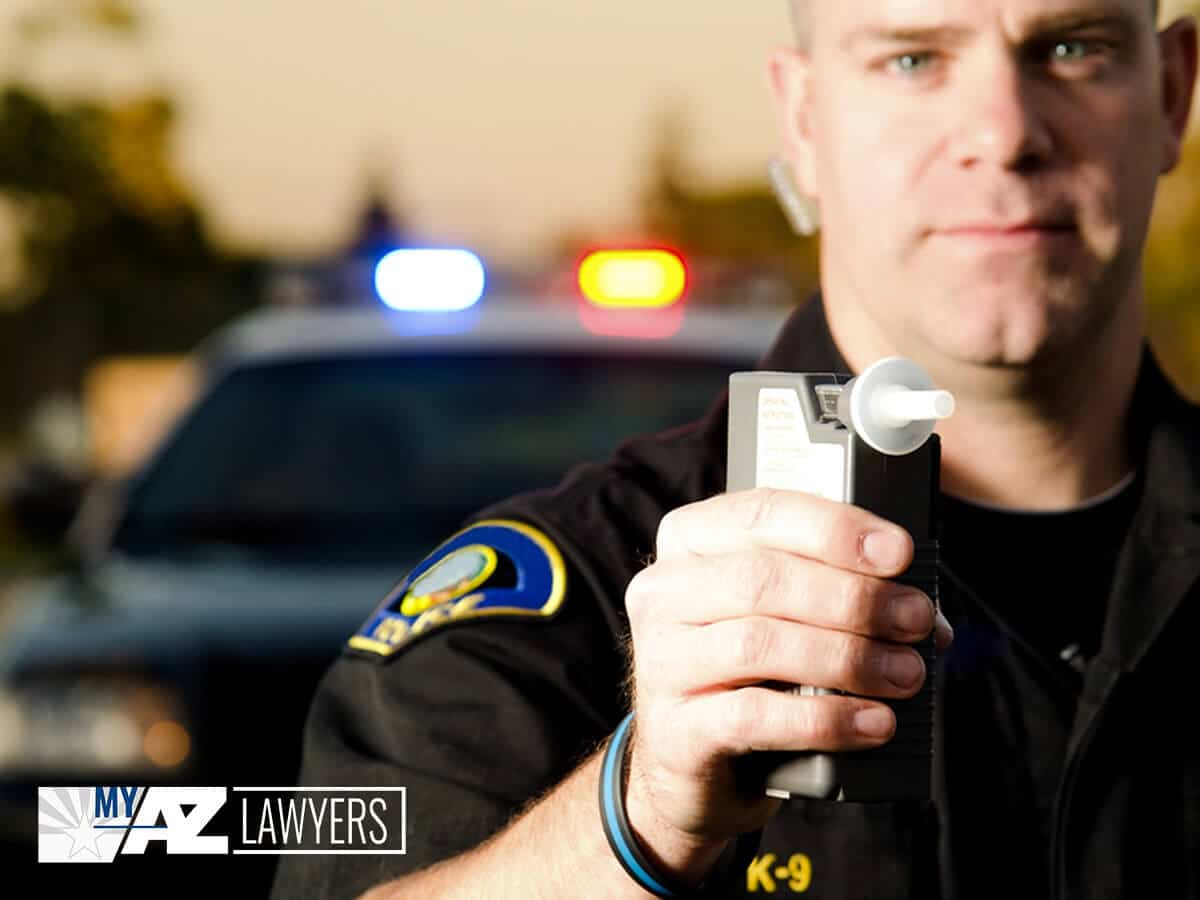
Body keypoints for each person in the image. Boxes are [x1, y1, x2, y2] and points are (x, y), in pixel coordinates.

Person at [270, 0, 1200, 897]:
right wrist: (638, 819)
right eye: (912, 59)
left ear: (1171, 92)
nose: (1004, 133)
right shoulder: (567, 601)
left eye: (1073, 48)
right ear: (803, 120)